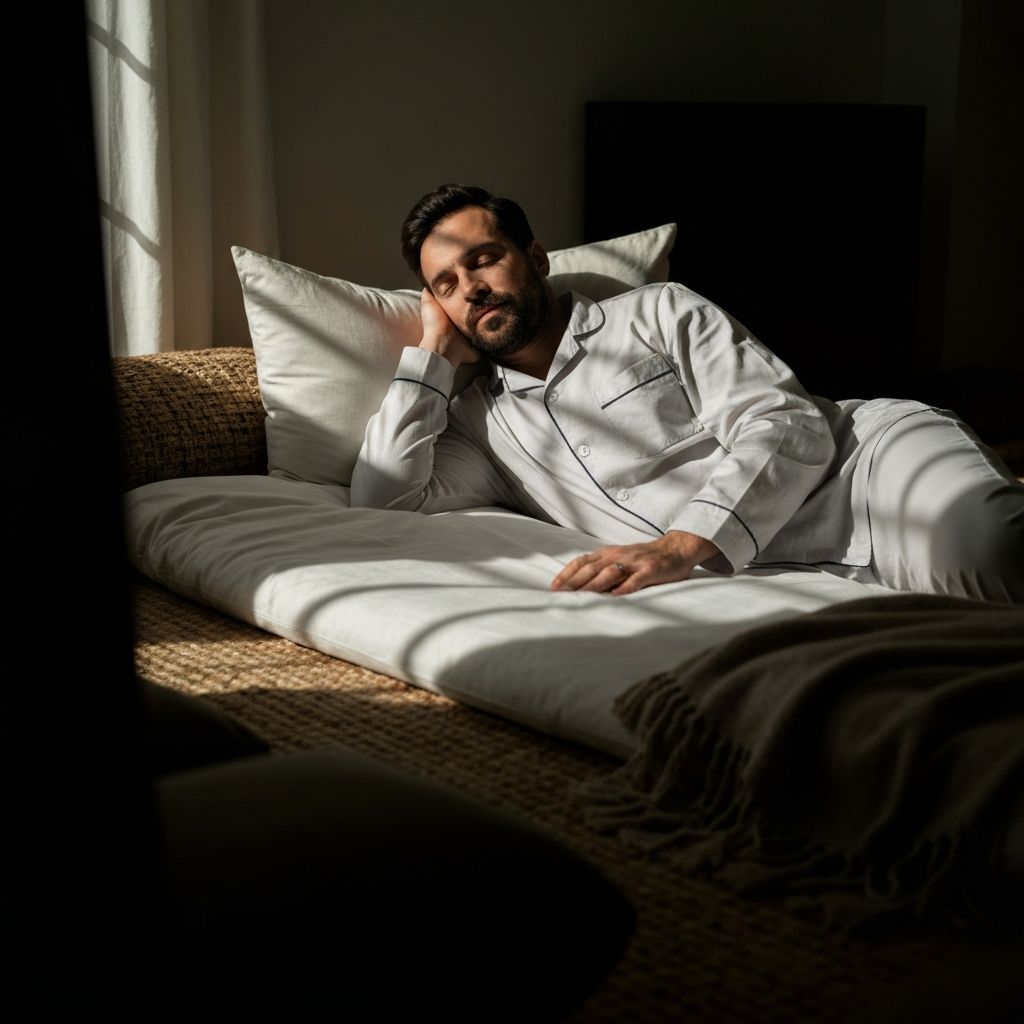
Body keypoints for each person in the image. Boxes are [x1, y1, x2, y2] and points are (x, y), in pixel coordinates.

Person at [350, 184, 1024, 603]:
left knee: (997, 553)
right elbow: (384, 501)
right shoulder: (481, 423)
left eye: (483, 260)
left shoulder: (657, 311)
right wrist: (433, 354)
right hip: (789, 574)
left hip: (866, 475)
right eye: (446, 285)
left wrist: (678, 546)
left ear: (536, 258)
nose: (471, 289)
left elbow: (785, 421)